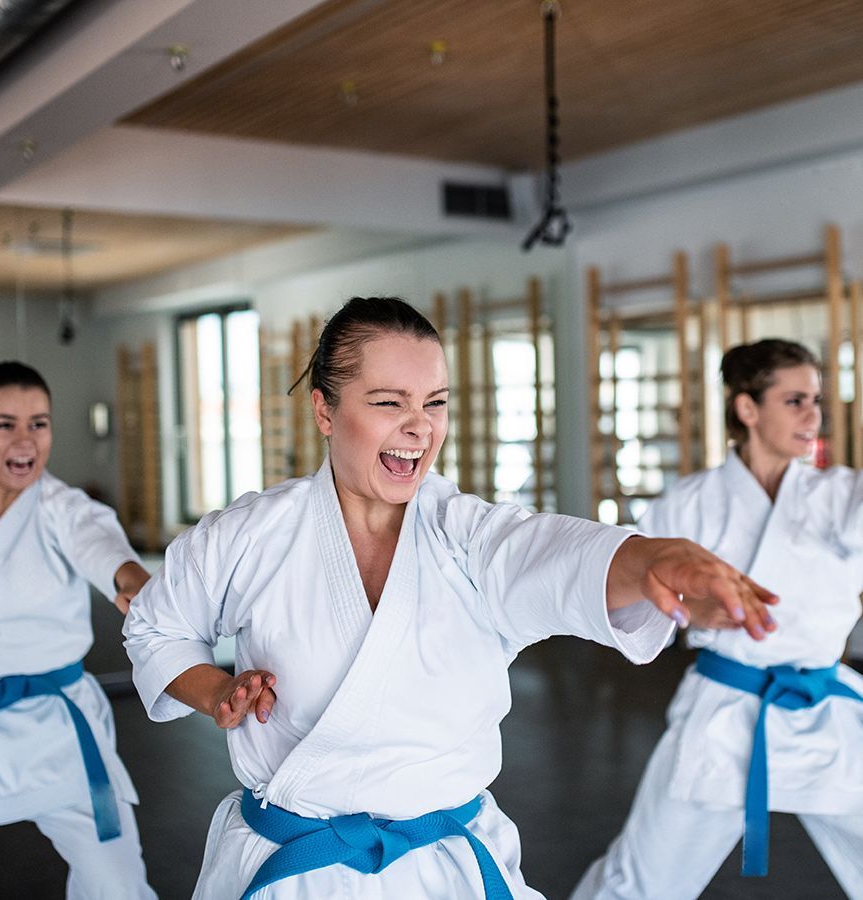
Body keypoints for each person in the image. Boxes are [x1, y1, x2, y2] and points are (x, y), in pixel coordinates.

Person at [125, 297, 777, 900]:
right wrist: (217, 691)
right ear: (325, 410)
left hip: (448, 870)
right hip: (298, 868)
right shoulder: (248, 535)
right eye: (388, 403)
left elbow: (545, 552)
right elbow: (157, 628)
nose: (419, 428)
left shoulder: (464, 534)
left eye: (435, 402)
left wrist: (651, 559)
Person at [571, 339, 863, 900]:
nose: (813, 415)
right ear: (748, 409)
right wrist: (684, 612)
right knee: (640, 879)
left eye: (816, 400)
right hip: (725, 715)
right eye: (795, 400)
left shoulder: (839, 494)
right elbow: (629, 595)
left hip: (823, 710)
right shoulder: (689, 503)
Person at [0, 361, 157, 900]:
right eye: (5, 424)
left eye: (39, 423)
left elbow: (105, 550)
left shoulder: (63, 509)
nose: (25, 440)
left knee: (115, 885)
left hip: (58, 726)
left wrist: (133, 581)